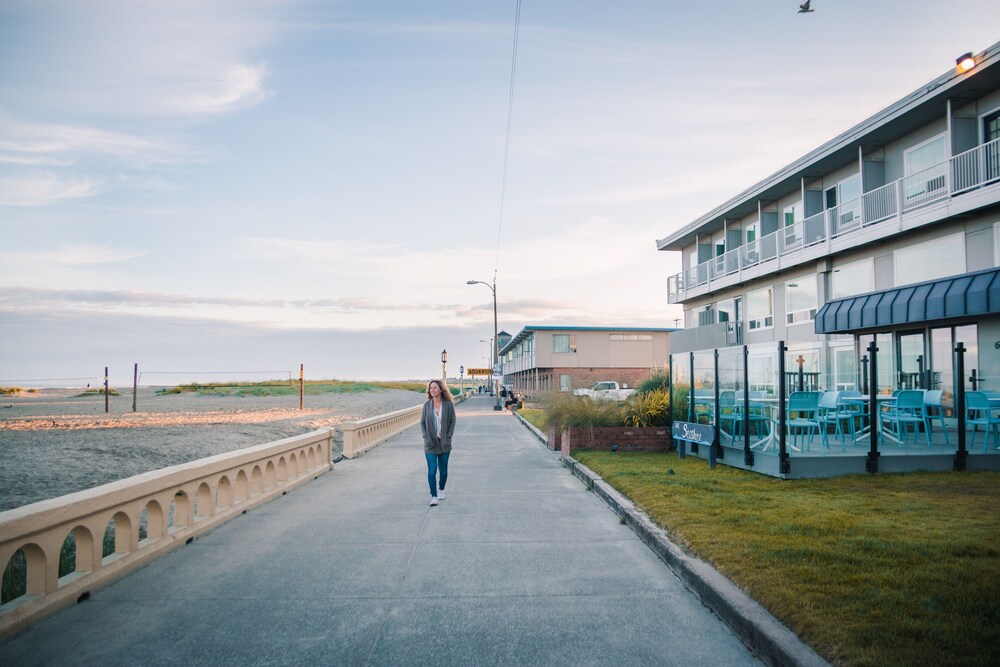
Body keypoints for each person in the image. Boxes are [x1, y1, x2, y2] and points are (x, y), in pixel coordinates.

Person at [421, 379, 456, 506]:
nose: (432, 390)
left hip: (444, 442)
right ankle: (434, 496)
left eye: (435, 388)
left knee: (444, 471)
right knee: (432, 470)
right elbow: (423, 423)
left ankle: (441, 490)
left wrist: (448, 436)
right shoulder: (427, 405)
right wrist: (426, 437)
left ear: (441, 389)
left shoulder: (448, 404)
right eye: (431, 388)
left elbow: (452, 421)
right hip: (430, 443)